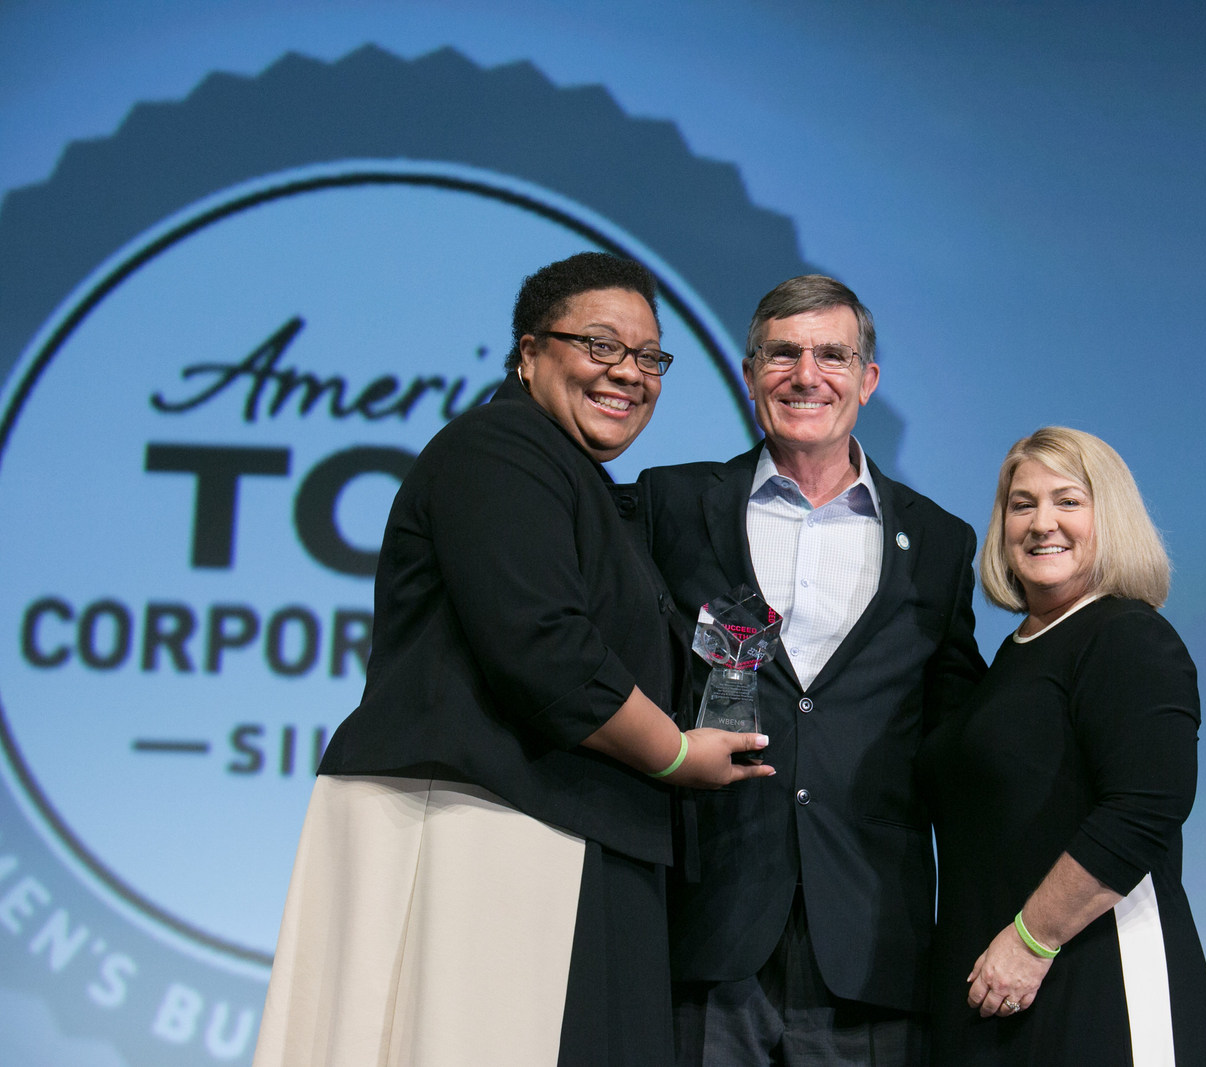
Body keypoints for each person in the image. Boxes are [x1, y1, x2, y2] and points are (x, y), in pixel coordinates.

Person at [252, 252, 772, 1067]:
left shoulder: (580, 482)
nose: (628, 373)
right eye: (600, 346)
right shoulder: (498, 449)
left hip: (569, 830)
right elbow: (546, 651)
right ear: (529, 353)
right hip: (484, 827)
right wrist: (675, 753)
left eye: (648, 356)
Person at [638, 274, 986, 1065]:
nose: (807, 374)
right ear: (749, 371)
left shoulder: (939, 541)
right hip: (709, 922)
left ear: (867, 380)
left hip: (869, 937)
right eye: (784, 354)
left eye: (833, 354)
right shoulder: (670, 504)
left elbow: (960, 730)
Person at [920, 426, 1206, 1066]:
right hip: (997, 993)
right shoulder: (1012, 658)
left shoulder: (1128, 636)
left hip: (1096, 984)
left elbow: (1144, 810)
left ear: (1111, 518)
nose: (1041, 522)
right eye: (1021, 504)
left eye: (1068, 501)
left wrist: (1031, 942)